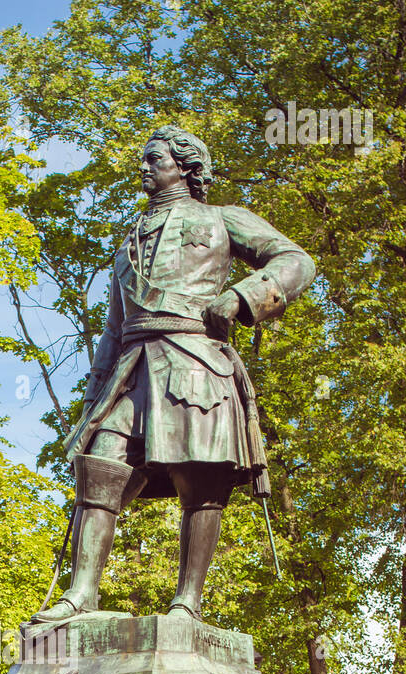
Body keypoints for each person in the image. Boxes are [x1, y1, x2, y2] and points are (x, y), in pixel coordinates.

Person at [32, 125, 316, 625]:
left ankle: (188, 601)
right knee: (99, 464)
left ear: (185, 166)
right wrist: (92, 397)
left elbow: (296, 260)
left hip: (195, 363)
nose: (144, 167)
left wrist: (244, 297)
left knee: (200, 478)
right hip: (132, 366)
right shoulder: (127, 245)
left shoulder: (222, 219)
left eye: (154, 159)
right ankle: (81, 594)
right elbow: (112, 330)